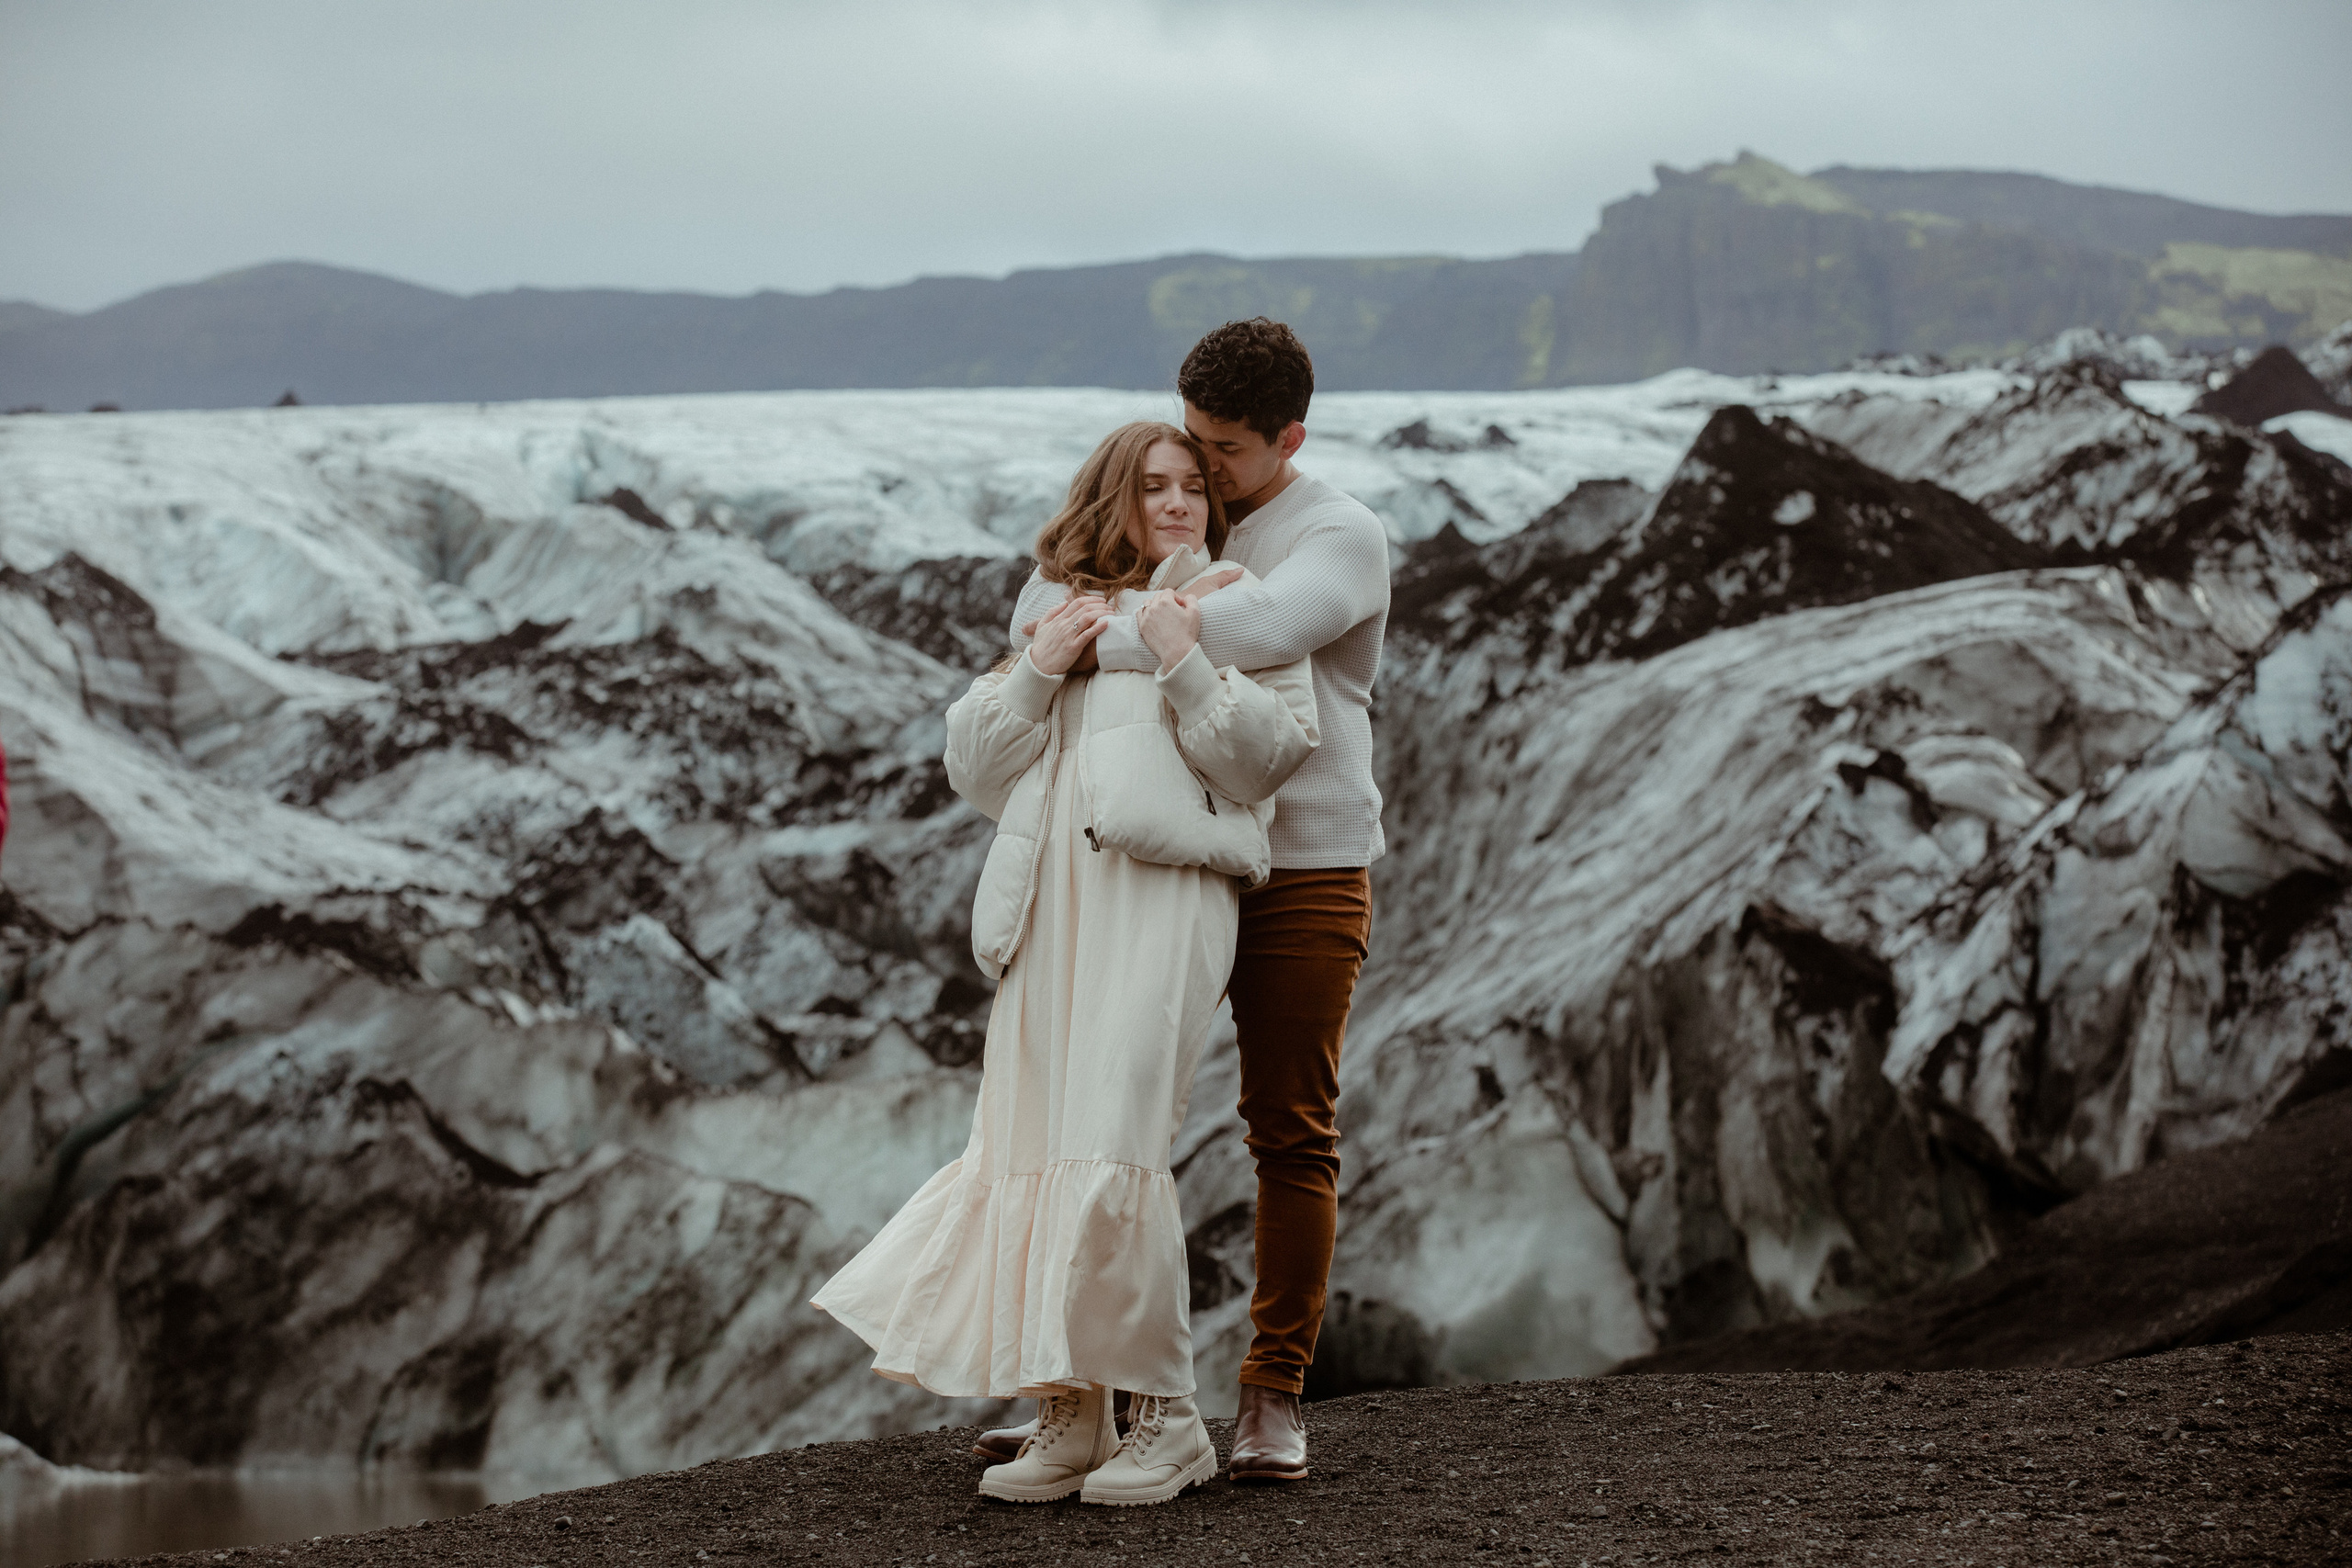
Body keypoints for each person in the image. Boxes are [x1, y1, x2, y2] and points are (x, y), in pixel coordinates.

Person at [812, 421, 1318, 1507]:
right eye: (1153, 487)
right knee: (1036, 1136)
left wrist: (1184, 658)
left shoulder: (1234, 603)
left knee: (1118, 1138)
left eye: (1194, 487)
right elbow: (975, 770)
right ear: (1109, 500)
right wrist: (1038, 670)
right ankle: (1073, 1409)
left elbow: (1269, 758)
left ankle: (1166, 1419)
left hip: (1162, 894)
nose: (1177, 504)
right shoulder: (1056, 612)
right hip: (1049, 901)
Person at [992, 319, 1389, 1483]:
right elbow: (1033, 617)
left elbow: (1262, 628)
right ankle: (1090, 1395)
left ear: (1288, 440)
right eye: (1190, 438)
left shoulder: (1339, 533)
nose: (1199, 468)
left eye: (1224, 450)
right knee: (1110, 1118)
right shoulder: (1178, 507)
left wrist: (1086, 634)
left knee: (1288, 1126)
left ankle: (1271, 1396)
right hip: (1177, 858)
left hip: (1305, 863)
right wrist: (1085, 630)